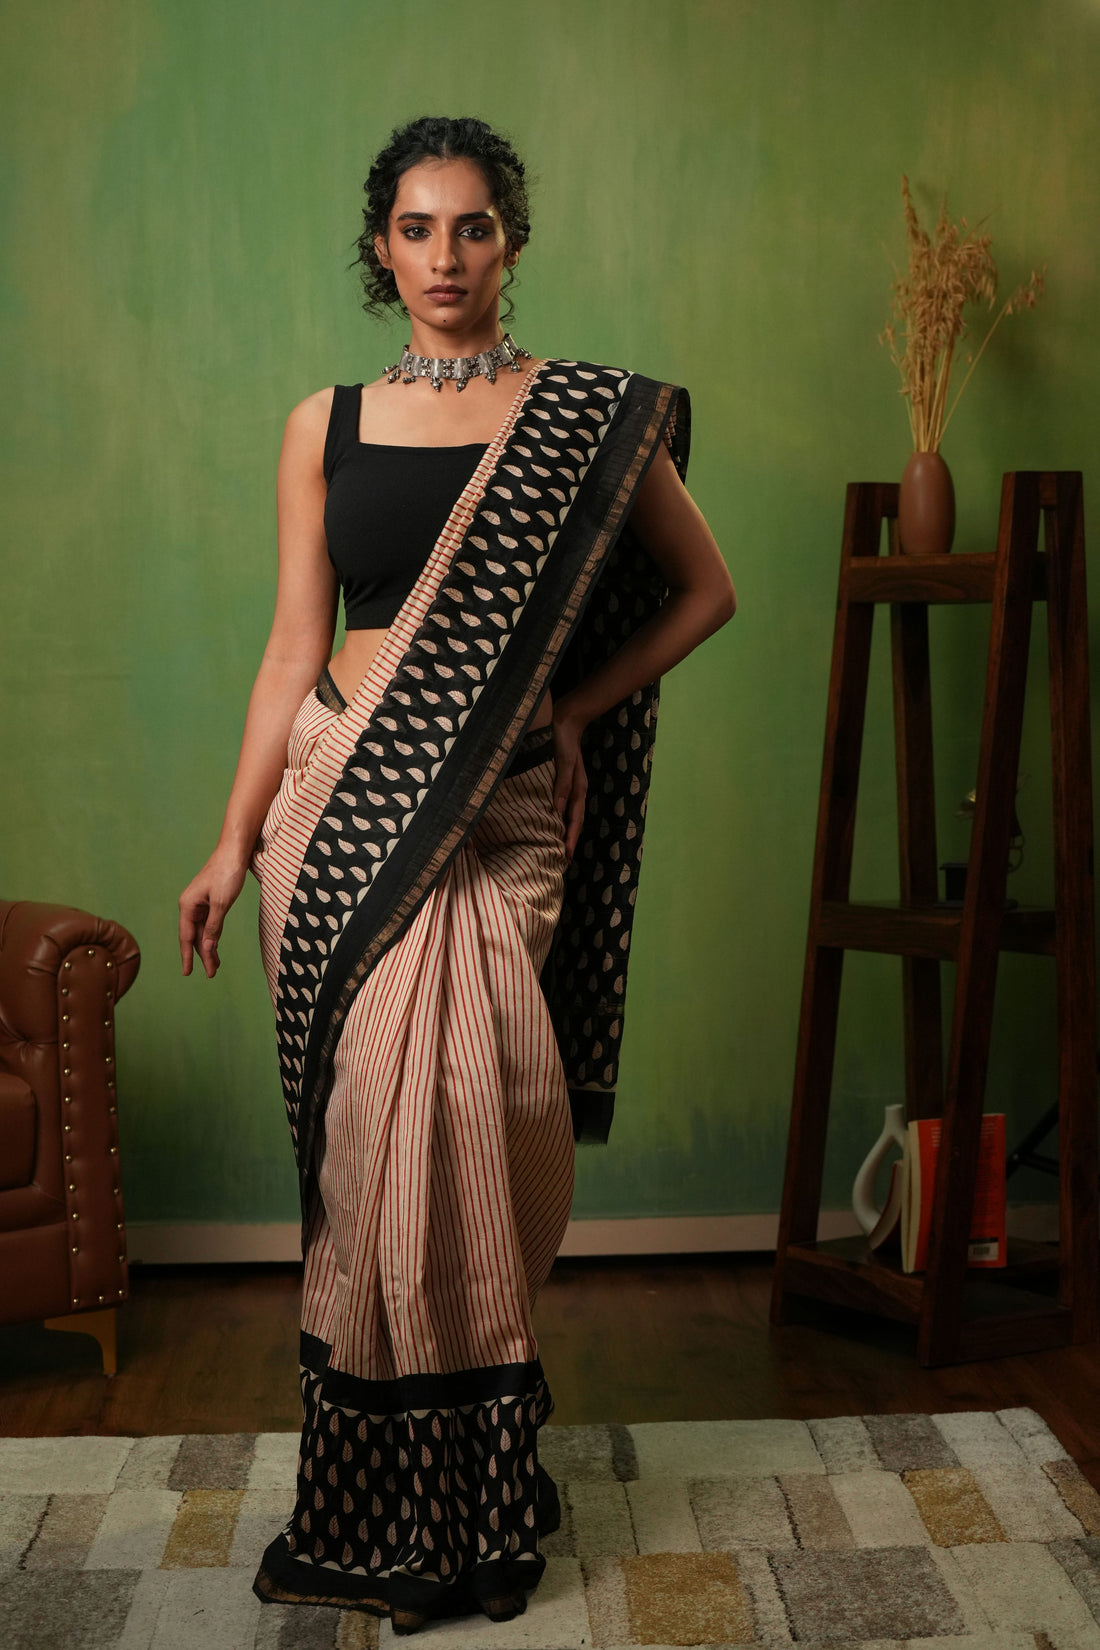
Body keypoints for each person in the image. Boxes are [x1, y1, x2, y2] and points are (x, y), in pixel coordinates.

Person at [178, 114, 735, 1634]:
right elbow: (292, 647)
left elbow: (707, 590)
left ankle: (475, 1488)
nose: (445, 256)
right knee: (375, 1142)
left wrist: (574, 705)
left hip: (500, 816)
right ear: (382, 247)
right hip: (340, 805)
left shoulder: (580, 421)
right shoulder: (326, 423)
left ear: (511, 241)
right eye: (417, 229)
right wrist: (230, 836)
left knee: (485, 1112)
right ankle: (374, 1497)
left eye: (473, 226)